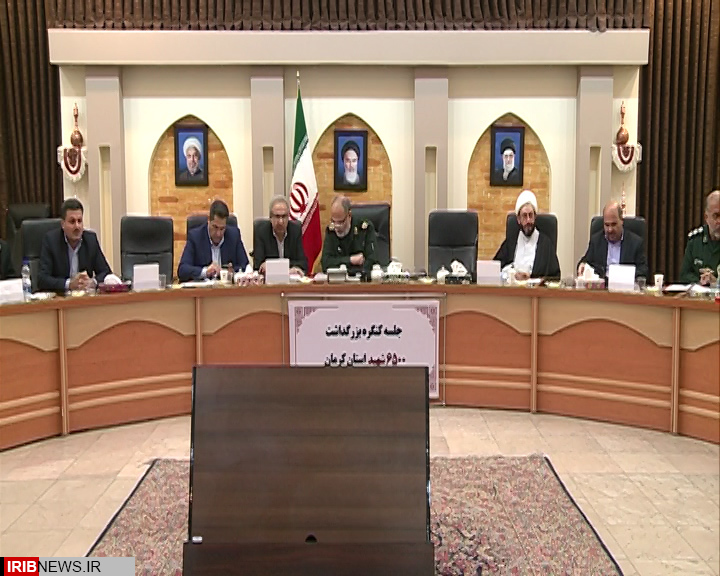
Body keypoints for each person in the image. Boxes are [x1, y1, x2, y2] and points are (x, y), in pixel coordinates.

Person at [38, 198, 113, 292]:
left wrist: (92, 282)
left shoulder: (90, 240)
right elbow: (42, 279)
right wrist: (69, 284)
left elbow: (106, 272)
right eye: (72, 221)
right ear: (63, 224)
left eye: (79, 221)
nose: (77, 226)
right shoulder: (51, 241)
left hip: (84, 297)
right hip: (61, 297)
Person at [493, 190, 560, 280]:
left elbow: (555, 277)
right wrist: (512, 274)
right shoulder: (511, 242)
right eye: (524, 216)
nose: (528, 220)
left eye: (530, 215)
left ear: (535, 217)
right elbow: (495, 269)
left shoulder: (546, 244)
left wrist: (531, 278)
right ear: (518, 219)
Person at [178, 199, 249, 282]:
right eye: (215, 227)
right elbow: (182, 270)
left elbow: (245, 266)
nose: (218, 234)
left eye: (222, 229)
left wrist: (228, 272)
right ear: (208, 221)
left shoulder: (234, 235)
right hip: (204, 288)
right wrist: (206, 272)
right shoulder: (195, 237)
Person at [577, 201, 648, 280]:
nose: (610, 230)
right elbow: (586, 261)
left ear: (621, 221)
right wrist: (582, 265)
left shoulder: (635, 243)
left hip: (623, 285)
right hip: (602, 286)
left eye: (614, 224)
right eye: (607, 225)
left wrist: (624, 274)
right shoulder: (596, 240)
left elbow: (643, 270)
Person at [321, 195, 378, 275]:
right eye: (333, 221)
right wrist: (350, 260)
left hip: (360, 279)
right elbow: (325, 263)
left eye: (340, 222)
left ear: (349, 215)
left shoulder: (364, 228)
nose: (337, 226)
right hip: (338, 280)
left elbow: (372, 260)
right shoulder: (331, 231)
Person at [253, 196, 308, 275]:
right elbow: (258, 265)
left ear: (288, 217)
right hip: (269, 280)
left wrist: (272, 266)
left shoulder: (295, 230)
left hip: (290, 280)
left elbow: (302, 263)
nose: (281, 221)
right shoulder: (261, 231)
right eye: (277, 216)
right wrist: (288, 268)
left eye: (284, 216)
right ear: (270, 218)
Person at [680, 189, 720, 286]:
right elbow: (684, 275)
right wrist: (700, 280)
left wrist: (716, 282)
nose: (719, 221)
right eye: (716, 216)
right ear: (706, 217)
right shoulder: (695, 240)